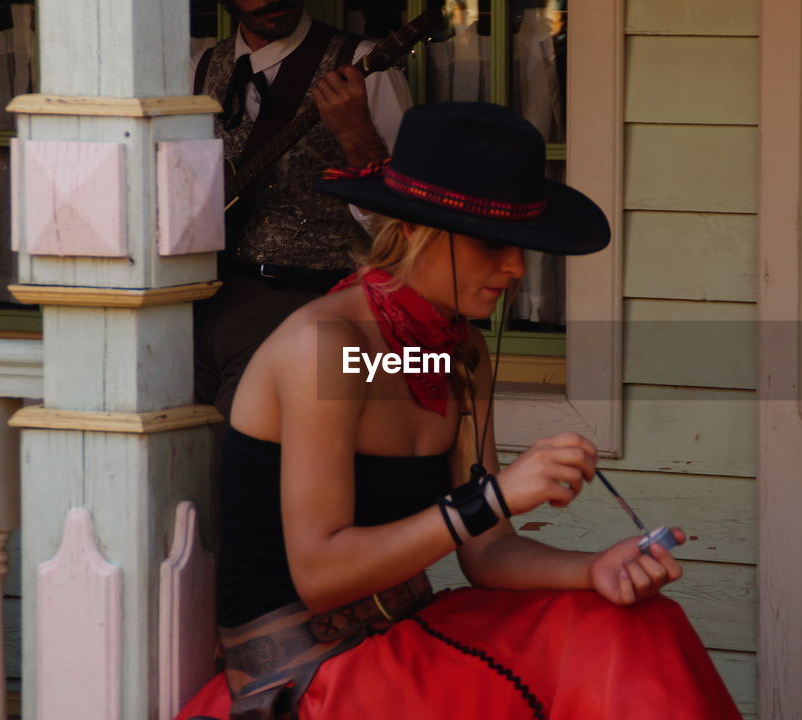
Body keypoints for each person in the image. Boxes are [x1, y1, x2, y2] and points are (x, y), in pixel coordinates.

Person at [175, 103, 742, 720]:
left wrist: (594, 569)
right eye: (492, 243)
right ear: (418, 231)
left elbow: (488, 551)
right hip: (305, 673)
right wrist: (492, 497)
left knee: (638, 622)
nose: (518, 269)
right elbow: (322, 574)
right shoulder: (328, 350)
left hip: (408, 634)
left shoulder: (457, 354)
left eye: (524, 246)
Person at [193, 0, 412, 419]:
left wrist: (356, 135)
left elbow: (405, 224)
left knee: (243, 456)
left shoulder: (366, 66)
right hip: (200, 301)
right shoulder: (200, 67)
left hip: (306, 302)